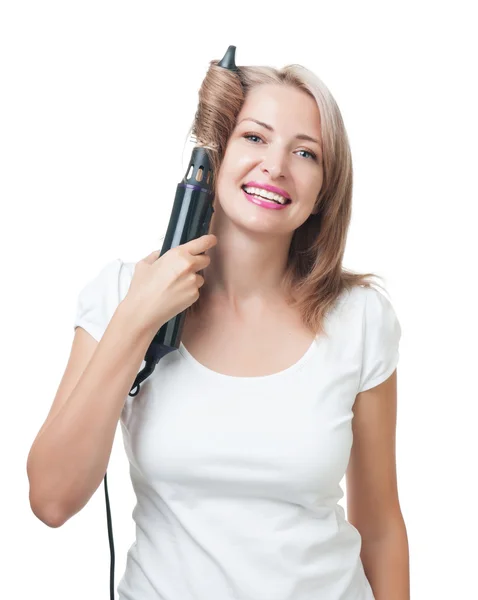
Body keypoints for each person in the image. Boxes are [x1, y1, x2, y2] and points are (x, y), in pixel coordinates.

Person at [27, 64, 410, 599]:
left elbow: (382, 524)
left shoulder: (360, 318)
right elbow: (51, 500)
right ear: (212, 157)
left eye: (306, 153)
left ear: (325, 189)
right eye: (254, 137)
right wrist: (136, 319)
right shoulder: (121, 293)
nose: (275, 166)